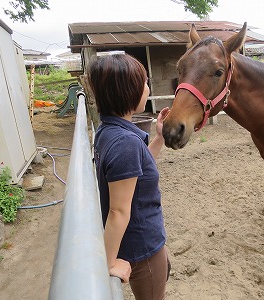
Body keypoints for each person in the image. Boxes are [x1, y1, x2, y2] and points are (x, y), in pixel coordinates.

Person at [87, 53, 170, 300]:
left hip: (138, 241)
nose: (147, 88)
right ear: (128, 91)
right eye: (144, 83)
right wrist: (108, 263)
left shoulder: (109, 131)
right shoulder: (125, 143)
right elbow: (118, 212)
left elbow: (138, 168)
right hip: (142, 248)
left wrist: (160, 137)